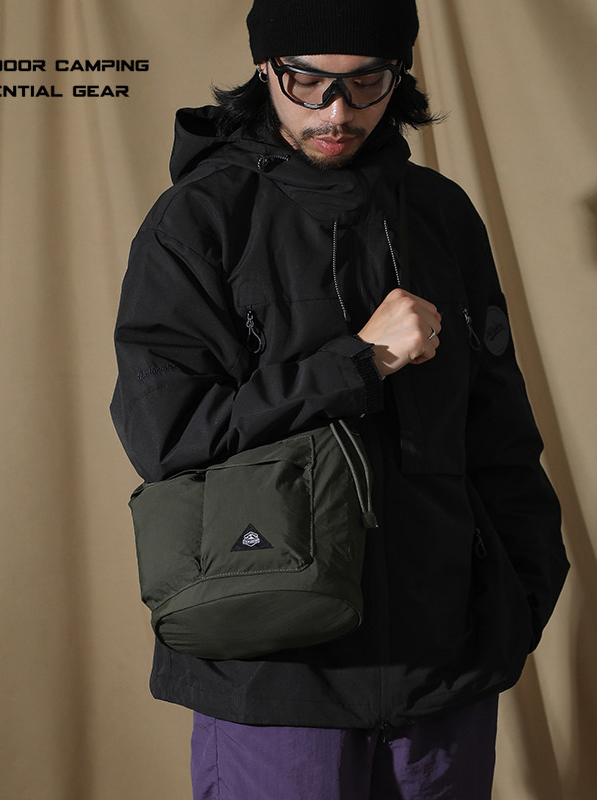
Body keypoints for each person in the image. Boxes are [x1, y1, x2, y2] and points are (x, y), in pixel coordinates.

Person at [110, 0, 569, 797]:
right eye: (308, 82)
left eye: (366, 83)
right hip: (278, 670)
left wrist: (521, 595)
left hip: (444, 665)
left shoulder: (441, 214)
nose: (336, 111)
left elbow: (499, 429)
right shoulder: (200, 219)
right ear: (265, 70)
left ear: (399, 77)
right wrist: (360, 361)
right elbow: (167, 433)